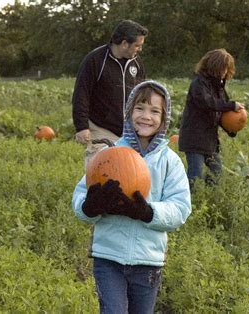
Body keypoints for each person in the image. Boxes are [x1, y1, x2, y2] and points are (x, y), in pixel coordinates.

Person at [72, 80, 191, 313]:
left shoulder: (169, 162)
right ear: (129, 112)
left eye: (154, 111)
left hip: (148, 262)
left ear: (164, 118)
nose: (146, 116)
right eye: (140, 108)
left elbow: (180, 208)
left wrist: (147, 212)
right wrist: (90, 206)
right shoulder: (108, 155)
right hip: (108, 258)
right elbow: (80, 197)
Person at [72, 19, 148, 167]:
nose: (140, 49)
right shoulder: (95, 60)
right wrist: (81, 127)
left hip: (129, 130)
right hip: (100, 128)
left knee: (130, 172)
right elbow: (81, 94)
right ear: (125, 43)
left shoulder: (137, 63)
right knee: (102, 171)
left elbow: (143, 95)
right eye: (137, 45)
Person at [178, 48, 245, 187]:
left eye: (227, 69)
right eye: (222, 68)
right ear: (213, 66)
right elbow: (208, 103)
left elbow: (220, 114)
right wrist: (231, 105)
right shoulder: (198, 84)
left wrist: (231, 128)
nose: (225, 72)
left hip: (210, 140)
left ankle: (208, 200)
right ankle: (188, 201)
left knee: (217, 173)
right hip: (194, 138)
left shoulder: (219, 88)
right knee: (195, 176)